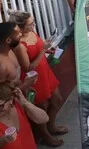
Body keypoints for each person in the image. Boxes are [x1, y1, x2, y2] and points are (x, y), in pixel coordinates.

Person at [9, 11, 65, 145]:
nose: (33, 25)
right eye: (30, 24)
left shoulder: (32, 33)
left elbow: (40, 48)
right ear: (20, 28)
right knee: (42, 108)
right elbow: (28, 67)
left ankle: (51, 126)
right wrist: (43, 51)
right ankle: (45, 136)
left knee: (57, 100)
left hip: (46, 72)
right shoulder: (20, 45)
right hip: (35, 78)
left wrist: (48, 50)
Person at [0, 81, 50, 148]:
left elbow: (44, 119)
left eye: (0, 106)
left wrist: (25, 102)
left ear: (11, 100)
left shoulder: (18, 105)